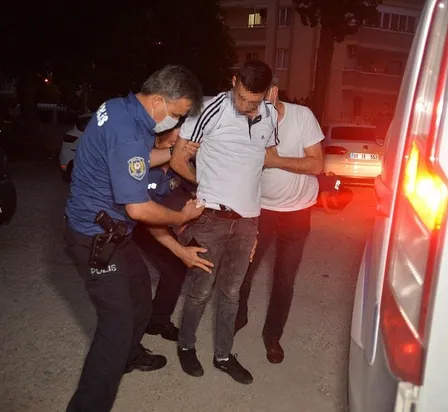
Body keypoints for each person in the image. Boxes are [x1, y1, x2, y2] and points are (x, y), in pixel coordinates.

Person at [63, 65, 204, 412]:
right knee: (115, 327)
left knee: (140, 294)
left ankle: (129, 355)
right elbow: (139, 209)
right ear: (158, 101)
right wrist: (182, 217)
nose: (174, 123)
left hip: (114, 234)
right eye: (176, 114)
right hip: (95, 239)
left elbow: (135, 160)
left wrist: (173, 152)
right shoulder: (128, 131)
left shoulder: (120, 109)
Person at [169, 60, 277, 385]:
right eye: (241, 97)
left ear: (266, 94)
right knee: (201, 290)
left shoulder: (270, 116)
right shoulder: (207, 109)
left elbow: (258, 164)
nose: (245, 105)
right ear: (233, 81)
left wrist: (254, 221)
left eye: (253, 101)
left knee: (232, 292)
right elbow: (177, 161)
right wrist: (205, 186)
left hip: (247, 223)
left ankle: (223, 356)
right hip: (211, 218)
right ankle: (186, 346)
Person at [235, 78, 325, 364]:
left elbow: (317, 164)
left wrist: (276, 161)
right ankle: (238, 317)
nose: (252, 108)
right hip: (259, 210)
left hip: (297, 211)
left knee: (284, 278)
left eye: (258, 100)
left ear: (273, 92)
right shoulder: (247, 119)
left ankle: (273, 335)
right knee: (243, 270)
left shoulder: (302, 116)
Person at [133, 121, 214, 343]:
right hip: (128, 222)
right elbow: (144, 215)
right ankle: (132, 336)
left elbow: (200, 190)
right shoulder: (141, 163)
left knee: (174, 270)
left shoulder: (180, 164)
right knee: (134, 280)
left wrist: (193, 208)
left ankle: (157, 321)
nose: (181, 146)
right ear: (158, 139)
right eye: (174, 142)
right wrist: (178, 236)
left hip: (155, 219)